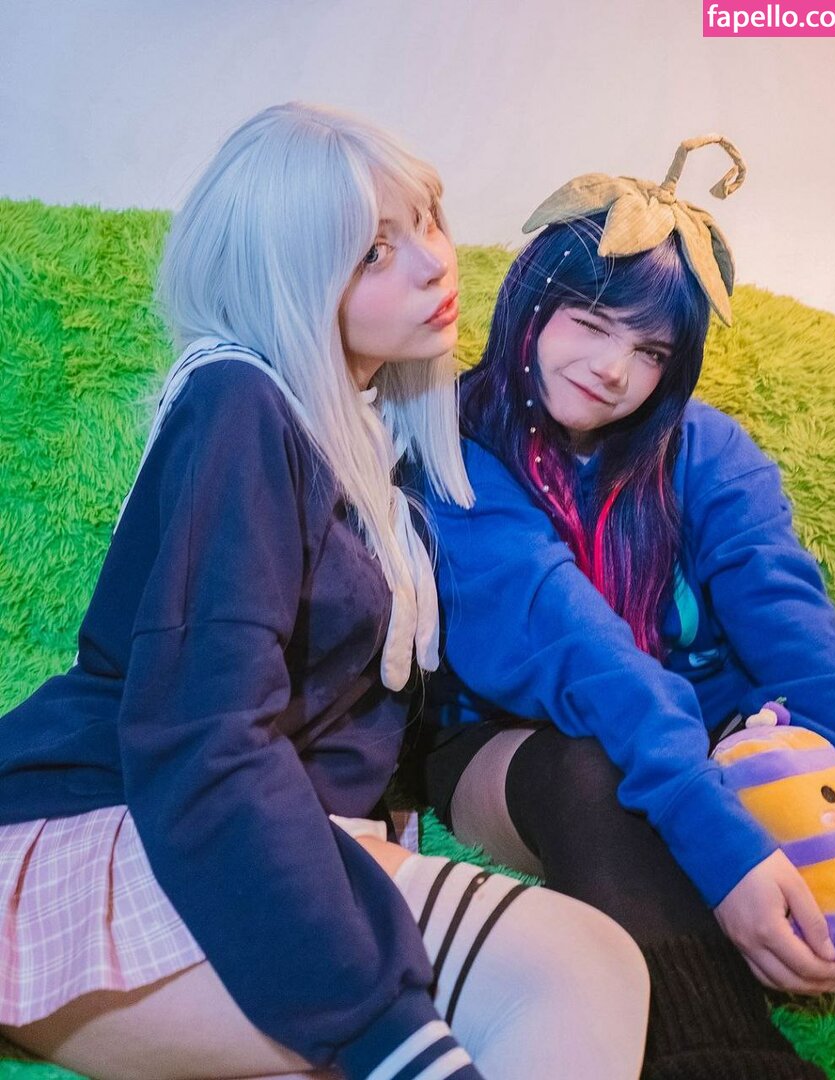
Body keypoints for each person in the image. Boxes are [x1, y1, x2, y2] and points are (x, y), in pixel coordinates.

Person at [0, 103, 651, 1080]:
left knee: (580, 967)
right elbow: (204, 741)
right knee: (577, 967)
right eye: (371, 251)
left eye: (426, 219)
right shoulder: (240, 403)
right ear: (287, 275)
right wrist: (385, 1032)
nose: (434, 262)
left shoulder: (367, 439)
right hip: (114, 840)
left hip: (231, 839)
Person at [416, 136, 835, 1080]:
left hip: (712, 734)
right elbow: (579, 652)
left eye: (651, 349)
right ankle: (722, 1056)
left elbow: (804, 647)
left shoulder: (707, 452)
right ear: (531, 301)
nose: (615, 369)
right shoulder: (451, 446)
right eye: (590, 321)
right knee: (598, 765)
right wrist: (723, 850)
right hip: (513, 746)